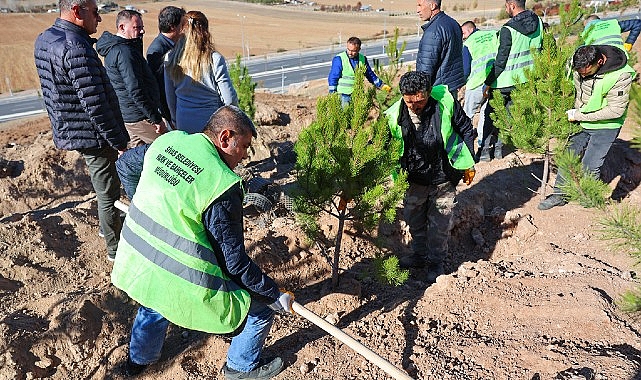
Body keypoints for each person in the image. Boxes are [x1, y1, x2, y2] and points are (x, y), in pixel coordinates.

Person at [112, 105, 294, 379]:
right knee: (257, 309)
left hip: (139, 258)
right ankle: (240, 370)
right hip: (180, 275)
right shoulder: (221, 182)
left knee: (154, 301)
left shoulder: (169, 142)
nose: (244, 156)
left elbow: (124, 164)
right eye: (243, 146)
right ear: (225, 138)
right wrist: (271, 294)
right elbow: (233, 263)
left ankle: (136, 363)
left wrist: (144, 200)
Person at [34, 0, 129, 262]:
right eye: (96, 13)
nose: (99, 20)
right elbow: (95, 104)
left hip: (73, 128)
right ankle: (115, 251)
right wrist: (120, 141)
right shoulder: (75, 47)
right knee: (108, 193)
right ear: (77, 11)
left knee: (105, 188)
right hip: (93, 133)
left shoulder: (45, 39)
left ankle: (108, 231)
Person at [384, 71, 476, 283]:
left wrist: (468, 162)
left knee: (440, 223)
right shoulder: (393, 116)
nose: (415, 107)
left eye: (420, 102)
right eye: (410, 103)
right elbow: (382, 147)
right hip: (414, 178)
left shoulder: (444, 103)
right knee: (414, 220)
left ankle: (436, 261)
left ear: (427, 93)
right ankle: (419, 255)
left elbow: (466, 129)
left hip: (443, 175)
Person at [538, 45, 636, 211]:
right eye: (580, 72)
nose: (582, 75)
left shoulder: (621, 75)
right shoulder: (578, 63)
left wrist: (579, 115)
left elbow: (615, 110)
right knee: (567, 157)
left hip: (607, 124)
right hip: (581, 119)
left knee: (590, 164)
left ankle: (589, 196)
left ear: (600, 61)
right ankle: (560, 194)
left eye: (586, 72)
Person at [479, 0, 543, 162]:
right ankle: (500, 149)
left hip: (503, 82)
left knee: (491, 115)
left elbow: (500, 62)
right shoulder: (539, 22)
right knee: (508, 117)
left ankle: (485, 152)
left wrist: (488, 82)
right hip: (525, 80)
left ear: (512, 5)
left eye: (506, 6)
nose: (506, 9)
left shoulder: (508, 29)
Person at [97, 10, 166, 147]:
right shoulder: (124, 53)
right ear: (122, 27)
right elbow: (136, 90)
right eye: (137, 27)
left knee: (139, 159)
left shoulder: (118, 49)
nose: (142, 31)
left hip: (130, 116)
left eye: (142, 27)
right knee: (167, 148)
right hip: (140, 117)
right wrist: (155, 119)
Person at [165, 10, 238, 134]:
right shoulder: (214, 59)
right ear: (206, 31)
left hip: (183, 122)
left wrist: (175, 120)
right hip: (211, 124)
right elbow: (229, 99)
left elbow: (170, 97)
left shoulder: (170, 58)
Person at [461, 20, 498, 149]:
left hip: (476, 84)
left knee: (467, 116)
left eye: (463, 33)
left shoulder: (469, 44)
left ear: (470, 30)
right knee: (485, 114)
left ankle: (466, 146)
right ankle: (483, 144)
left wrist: (463, 82)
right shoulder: (493, 34)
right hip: (493, 82)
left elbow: (466, 69)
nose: (463, 37)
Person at [415, 0, 465, 95]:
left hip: (438, 90)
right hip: (452, 85)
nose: (418, 10)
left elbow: (425, 69)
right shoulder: (453, 23)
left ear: (433, 6)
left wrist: (420, 92)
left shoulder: (433, 32)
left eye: (420, 5)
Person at [147, 6, 186, 124]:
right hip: (170, 113)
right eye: (182, 24)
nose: (185, 28)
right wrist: (170, 117)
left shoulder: (176, 43)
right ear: (173, 26)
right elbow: (161, 88)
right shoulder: (158, 51)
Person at [328, 36, 391, 106]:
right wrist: (332, 93)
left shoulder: (362, 59)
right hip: (343, 95)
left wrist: (382, 85)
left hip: (358, 94)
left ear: (359, 49)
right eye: (348, 49)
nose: (350, 53)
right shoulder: (339, 59)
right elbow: (333, 77)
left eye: (353, 51)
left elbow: (370, 75)